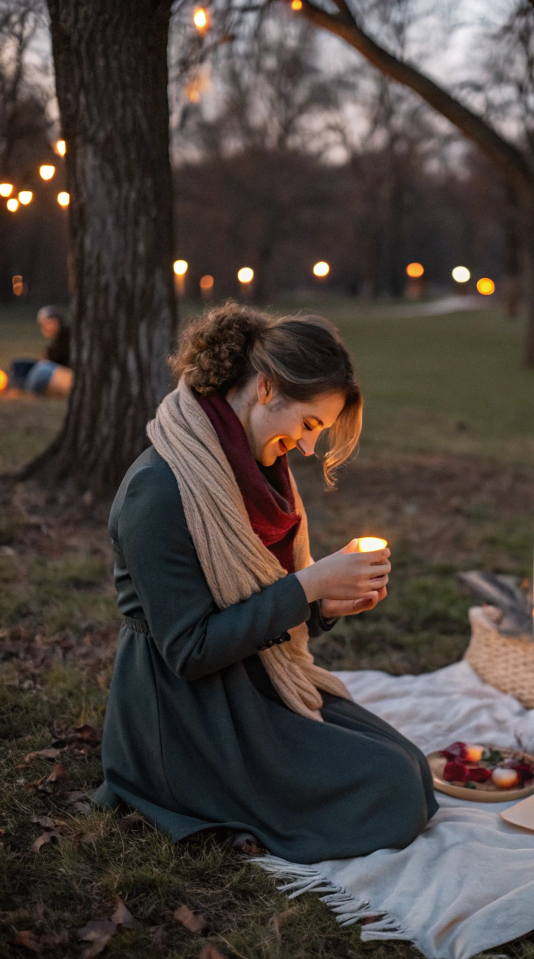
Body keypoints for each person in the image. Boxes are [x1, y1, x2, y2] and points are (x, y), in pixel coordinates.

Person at [94, 304, 438, 864]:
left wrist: (326, 603)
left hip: (256, 683)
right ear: (266, 387)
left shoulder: (260, 477)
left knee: (410, 768)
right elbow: (190, 649)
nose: (307, 449)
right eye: (308, 426)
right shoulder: (158, 489)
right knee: (392, 789)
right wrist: (306, 587)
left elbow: (262, 615)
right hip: (185, 714)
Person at [7, 306, 73, 397]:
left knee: (40, 371)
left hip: (66, 375)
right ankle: (16, 388)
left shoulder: (68, 337)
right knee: (20, 364)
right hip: (56, 371)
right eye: (43, 325)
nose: (47, 328)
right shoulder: (56, 343)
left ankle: (22, 389)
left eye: (50, 323)